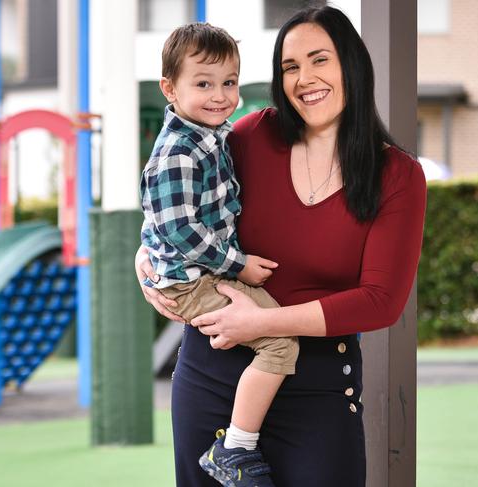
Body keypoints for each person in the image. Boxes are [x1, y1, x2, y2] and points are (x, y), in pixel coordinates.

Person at [135, 6, 427, 487]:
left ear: (351, 64)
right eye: (290, 67)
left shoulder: (396, 175)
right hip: (212, 372)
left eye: (319, 60)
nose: (305, 78)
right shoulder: (249, 136)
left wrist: (263, 322)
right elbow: (176, 201)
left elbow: (382, 302)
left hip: (318, 389)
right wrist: (144, 260)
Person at [139, 23, 298, 486]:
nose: (219, 95)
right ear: (170, 89)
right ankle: (236, 448)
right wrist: (239, 265)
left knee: (272, 331)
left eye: (229, 82)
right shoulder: (178, 151)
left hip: (199, 271)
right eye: (203, 84)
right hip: (193, 278)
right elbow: (180, 230)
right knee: (280, 340)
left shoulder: (214, 136)